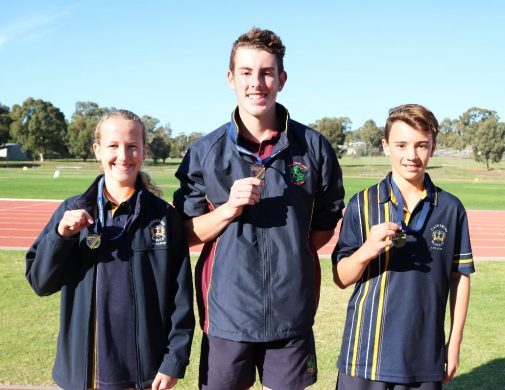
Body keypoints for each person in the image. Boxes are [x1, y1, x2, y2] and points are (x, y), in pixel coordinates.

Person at [173, 27, 345, 390]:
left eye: (267, 72)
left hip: (291, 313)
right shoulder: (205, 153)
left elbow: (323, 228)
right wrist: (227, 210)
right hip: (227, 315)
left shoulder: (313, 148)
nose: (257, 83)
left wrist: (290, 256)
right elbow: (186, 234)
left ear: (281, 79)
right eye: (247, 73)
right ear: (230, 78)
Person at [26, 110, 194, 390]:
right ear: (97, 151)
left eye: (132, 146)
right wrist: (60, 238)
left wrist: (174, 360)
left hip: (144, 375)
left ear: (143, 151)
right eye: (113, 146)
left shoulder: (164, 218)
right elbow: (40, 282)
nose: (123, 155)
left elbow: (181, 298)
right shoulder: (71, 212)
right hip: (84, 374)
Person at [332, 104, 474, 390]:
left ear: (432, 147)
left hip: (424, 358)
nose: (411, 155)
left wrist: (454, 342)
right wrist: (366, 250)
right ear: (386, 147)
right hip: (364, 354)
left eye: (422, 145)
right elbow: (341, 277)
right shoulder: (362, 203)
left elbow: (460, 277)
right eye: (401, 145)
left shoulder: (450, 209)